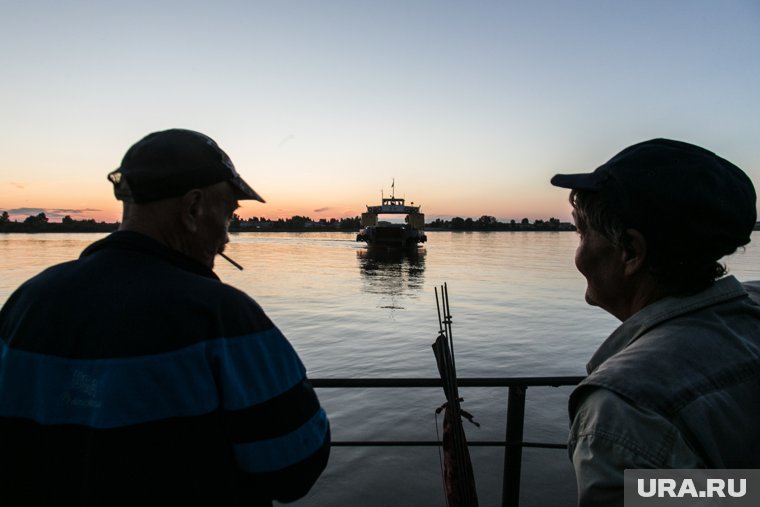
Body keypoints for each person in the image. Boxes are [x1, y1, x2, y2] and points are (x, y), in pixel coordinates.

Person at [0, 129, 330, 506]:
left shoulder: (26, 301)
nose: (227, 236)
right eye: (228, 213)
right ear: (193, 209)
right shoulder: (222, 316)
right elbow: (296, 466)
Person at [551, 138, 760, 506]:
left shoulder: (625, 410)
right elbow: (737, 490)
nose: (580, 253)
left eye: (582, 233)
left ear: (630, 251)